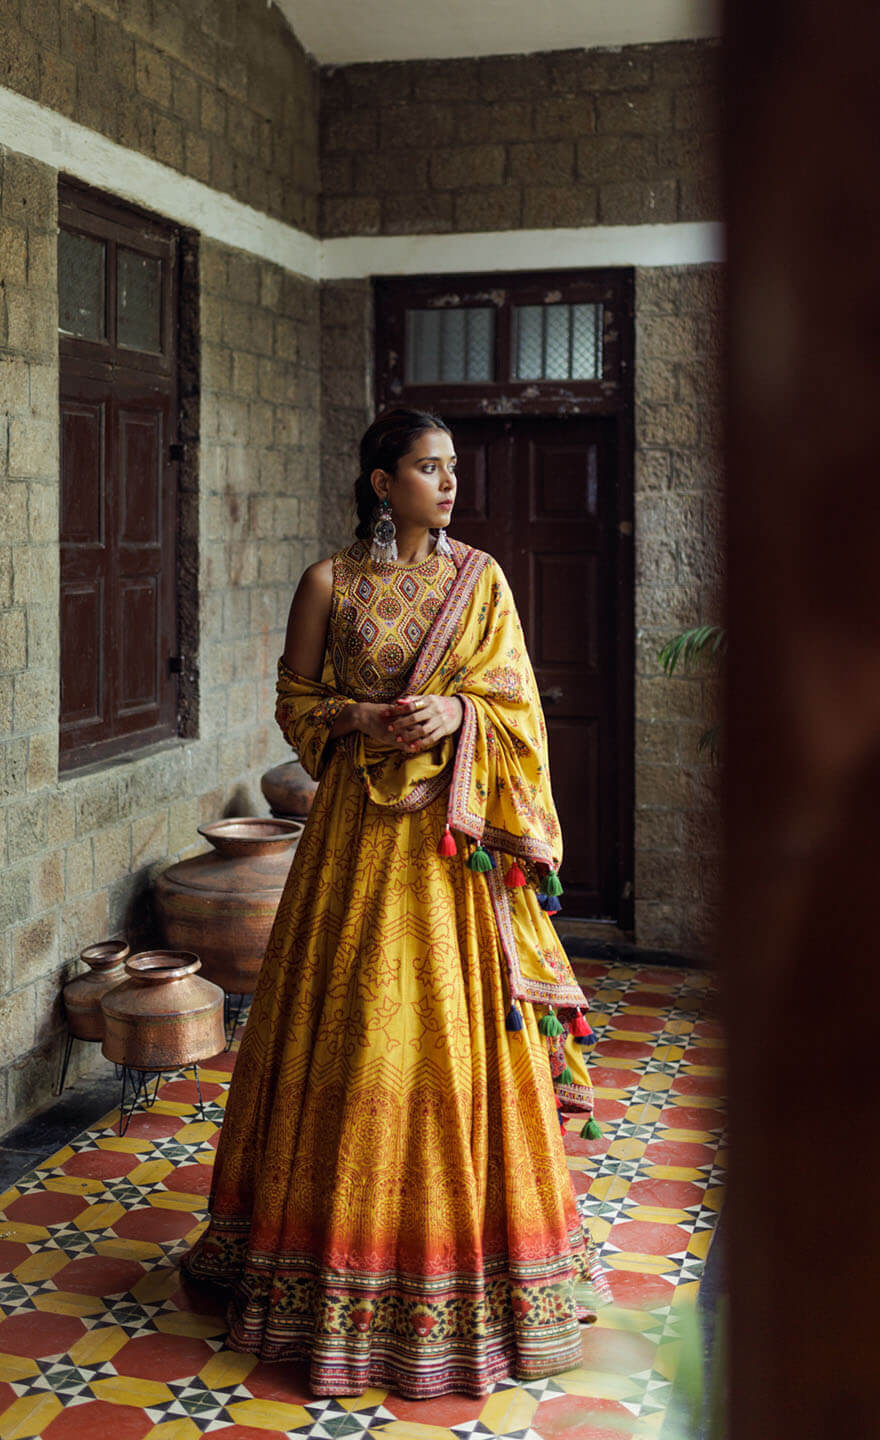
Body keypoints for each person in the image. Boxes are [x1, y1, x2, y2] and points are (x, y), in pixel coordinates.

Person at [182, 406, 610, 1399]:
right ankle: (316, 1273)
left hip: (447, 852)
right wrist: (360, 719)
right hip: (352, 849)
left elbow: (515, 706)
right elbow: (294, 701)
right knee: (351, 1031)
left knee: (451, 1043)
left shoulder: (483, 580)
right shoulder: (328, 583)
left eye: (452, 467)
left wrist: (458, 710)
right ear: (383, 481)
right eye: (428, 467)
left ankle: (470, 1274)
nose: (449, 483)